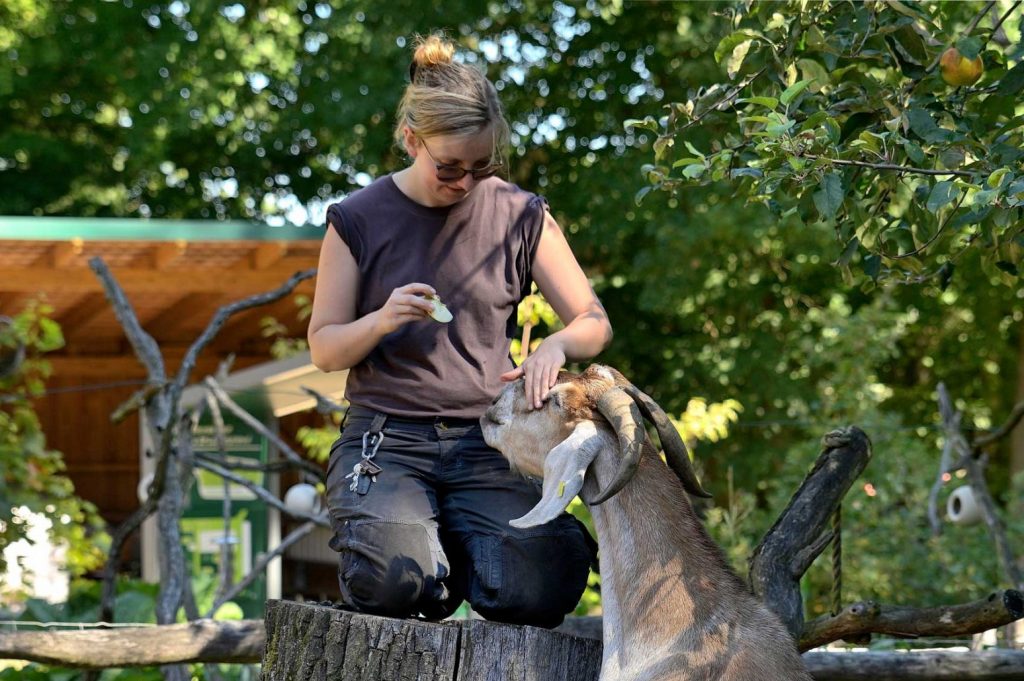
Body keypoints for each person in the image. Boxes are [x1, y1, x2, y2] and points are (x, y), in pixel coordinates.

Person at [307, 32, 613, 628]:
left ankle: (462, 546)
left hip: (489, 437)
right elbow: (324, 348)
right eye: (449, 168)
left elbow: (593, 322)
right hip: (386, 440)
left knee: (539, 589)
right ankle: (420, 553)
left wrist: (557, 343)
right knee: (395, 585)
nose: (465, 183)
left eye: (481, 167)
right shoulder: (356, 220)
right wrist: (381, 319)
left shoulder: (522, 215)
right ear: (410, 139)